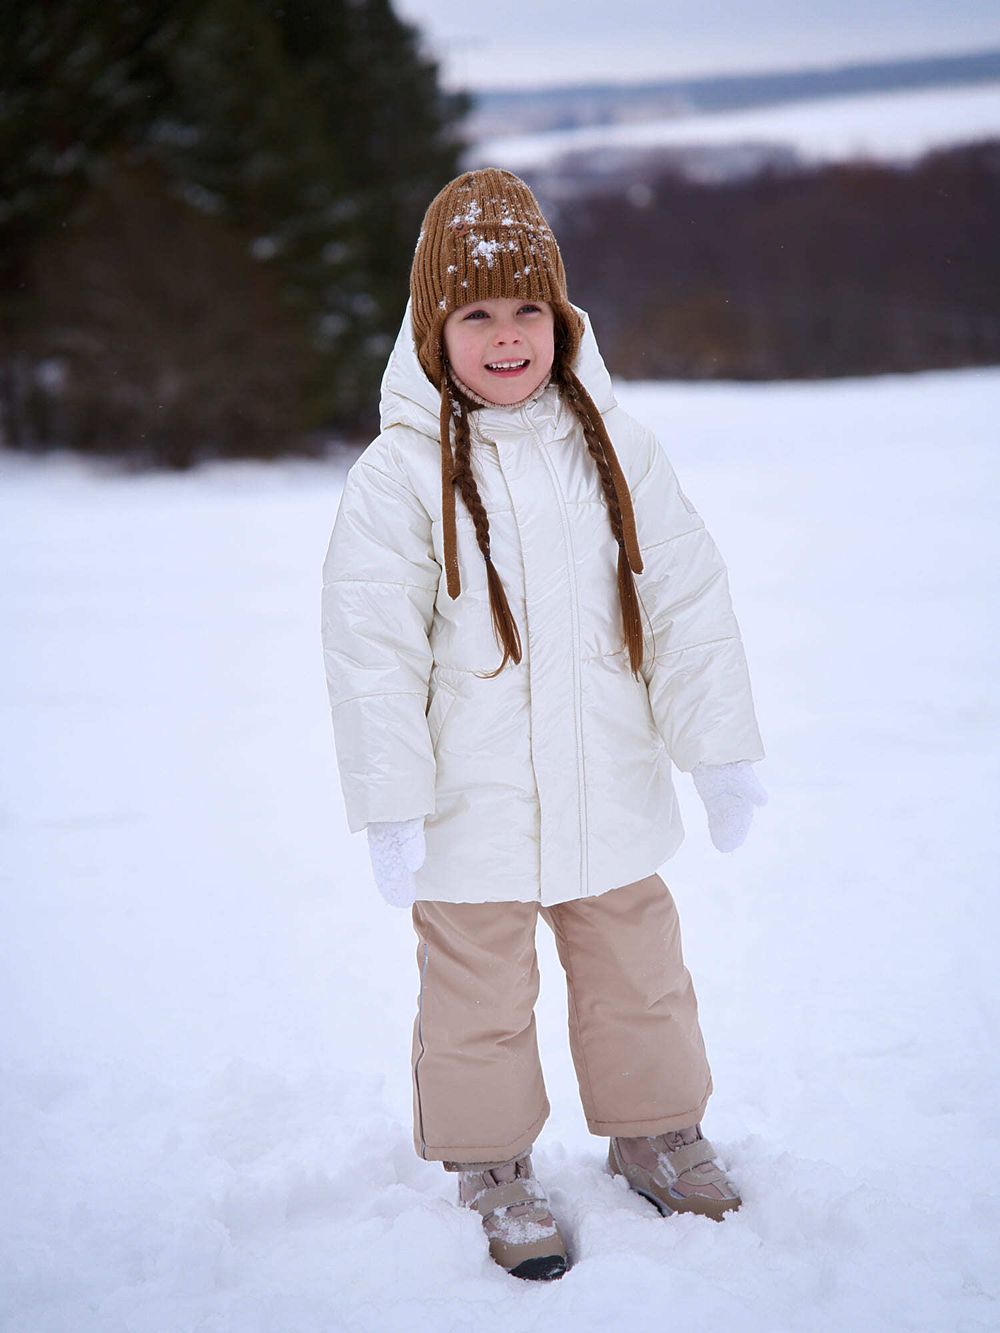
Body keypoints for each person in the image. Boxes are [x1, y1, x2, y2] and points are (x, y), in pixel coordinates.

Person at [321, 167, 768, 1282]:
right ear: (436, 330)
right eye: (477, 314)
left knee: (639, 972)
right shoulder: (397, 478)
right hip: (468, 808)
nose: (507, 336)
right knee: (475, 999)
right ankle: (492, 1163)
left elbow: (685, 600)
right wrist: (390, 804)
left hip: (609, 785)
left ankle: (655, 1130)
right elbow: (369, 654)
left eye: (528, 310)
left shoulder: (615, 449)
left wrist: (716, 751)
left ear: (561, 321)